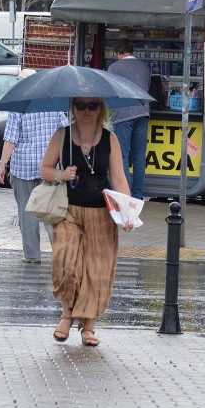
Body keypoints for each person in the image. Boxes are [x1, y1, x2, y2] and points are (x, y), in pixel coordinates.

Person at [39, 97, 132, 347]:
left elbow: (119, 178)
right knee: (66, 263)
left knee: (97, 270)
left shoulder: (110, 139)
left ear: (100, 109)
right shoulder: (62, 135)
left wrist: (127, 212)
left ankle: (88, 326)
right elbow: (45, 169)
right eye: (81, 106)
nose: (86, 111)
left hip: (101, 214)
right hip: (67, 210)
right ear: (73, 108)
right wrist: (61, 174)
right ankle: (67, 314)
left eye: (92, 106)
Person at [0, 110, 69, 263]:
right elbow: (65, 131)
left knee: (26, 213)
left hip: (23, 166)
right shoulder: (53, 105)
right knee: (52, 212)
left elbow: (10, 139)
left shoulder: (19, 106)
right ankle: (61, 253)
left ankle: (32, 255)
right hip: (49, 166)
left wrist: (2, 165)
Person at [107, 39, 151, 199]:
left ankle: (125, 195)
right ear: (131, 51)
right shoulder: (144, 66)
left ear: (117, 53)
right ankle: (138, 196)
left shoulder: (114, 67)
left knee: (122, 155)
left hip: (123, 115)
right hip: (143, 112)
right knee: (139, 157)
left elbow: (110, 92)